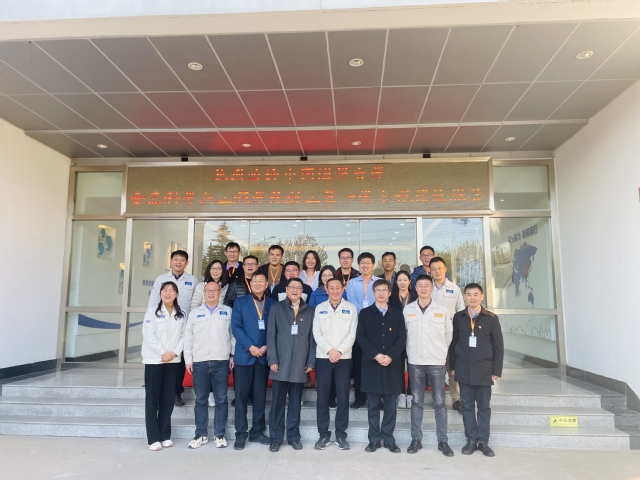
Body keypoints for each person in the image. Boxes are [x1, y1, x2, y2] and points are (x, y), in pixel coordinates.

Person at [450, 283, 504, 457]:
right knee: (467, 407)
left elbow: (498, 346)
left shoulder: (491, 318)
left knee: (483, 407)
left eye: (475, 294)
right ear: (464, 297)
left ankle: (483, 441)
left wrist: (496, 369)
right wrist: (453, 367)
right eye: (469, 294)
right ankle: (471, 440)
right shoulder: (458, 317)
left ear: (482, 297)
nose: (472, 298)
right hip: (463, 368)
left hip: (484, 369)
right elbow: (453, 344)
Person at [403, 275, 454, 457]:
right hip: (416, 360)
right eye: (420, 286)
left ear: (432, 289)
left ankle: (443, 441)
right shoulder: (408, 310)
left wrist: (440, 351)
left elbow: (448, 334)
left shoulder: (441, 310)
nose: (423, 288)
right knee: (417, 401)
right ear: (415, 288)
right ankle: (416, 439)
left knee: (440, 402)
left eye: (427, 285)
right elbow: (404, 335)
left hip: (436, 361)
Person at [356, 279, 406, 453]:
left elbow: (402, 338)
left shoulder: (397, 313)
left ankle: (389, 439)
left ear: (389, 293)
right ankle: (374, 439)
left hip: (392, 365)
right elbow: (361, 337)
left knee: (391, 406)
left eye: (385, 290)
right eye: (378, 290)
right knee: (373, 405)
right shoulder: (365, 313)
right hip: (372, 365)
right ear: (373, 293)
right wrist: (376, 355)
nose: (381, 293)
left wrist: (390, 356)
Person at [266, 278, 316, 452]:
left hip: (300, 364)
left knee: (295, 403)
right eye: (292, 287)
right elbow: (270, 336)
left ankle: (294, 437)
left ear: (302, 291)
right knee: (277, 404)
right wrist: (272, 359)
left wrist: (310, 361)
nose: (295, 290)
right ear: (286, 290)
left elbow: (312, 339)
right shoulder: (276, 308)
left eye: (298, 288)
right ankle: (275, 438)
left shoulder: (309, 310)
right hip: (280, 363)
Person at [184, 281, 234, 449]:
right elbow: (188, 337)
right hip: (200, 361)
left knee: (221, 399)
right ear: (204, 293)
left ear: (220, 293)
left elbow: (232, 336)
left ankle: (219, 434)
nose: (211, 293)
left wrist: (232, 355)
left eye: (214, 290)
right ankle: (201, 434)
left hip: (221, 361)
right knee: (200, 400)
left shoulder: (228, 312)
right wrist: (188, 359)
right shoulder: (195, 313)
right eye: (208, 291)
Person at [231, 271, 275, 450]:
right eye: (254, 281)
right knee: (241, 396)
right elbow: (236, 327)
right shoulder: (240, 302)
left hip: (263, 357)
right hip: (244, 356)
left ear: (266, 284)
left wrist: (266, 346)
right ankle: (241, 433)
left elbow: (275, 329)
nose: (257, 283)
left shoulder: (272, 304)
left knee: (259, 397)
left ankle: (257, 431)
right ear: (250, 283)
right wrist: (250, 346)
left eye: (261, 281)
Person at [313, 277, 358, 451]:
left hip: (343, 358)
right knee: (322, 397)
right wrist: (329, 351)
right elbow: (316, 332)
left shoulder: (351, 308)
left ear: (343, 288)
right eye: (331, 288)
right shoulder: (320, 308)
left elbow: (352, 334)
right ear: (326, 289)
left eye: (338, 288)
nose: (334, 291)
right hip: (323, 357)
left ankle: (341, 435)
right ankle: (323, 434)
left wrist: (338, 351)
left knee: (343, 396)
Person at [148, 250, 197, 407]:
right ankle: (160, 393)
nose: (178, 262)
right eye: (175, 259)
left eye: (182, 260)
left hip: (183, 326)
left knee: (179, 361)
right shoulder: (161, 279)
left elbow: (195, 303)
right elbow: (153, 302)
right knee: (162, 357)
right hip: (162, 324)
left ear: (186, 263)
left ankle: (176, 393)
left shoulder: (192, 280)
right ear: (170, 261)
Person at [142, 281, 186, 451]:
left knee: (168, 400)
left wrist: (174, 353)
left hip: (173, 361)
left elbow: (184, 336)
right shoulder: (152, 312)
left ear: (176, 294)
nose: (167, 293)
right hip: (154, 360)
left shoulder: (181, 314)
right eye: (164, 290)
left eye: (171, 290)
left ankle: (165, 435)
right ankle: (153, 438)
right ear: (160, 293)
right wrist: (163, 352)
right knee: (152, 400)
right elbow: (149, 336)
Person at [429, 256, 466, 415]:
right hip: (431, 335)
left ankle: (456, 399)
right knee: (435, 369)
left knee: (452, 368)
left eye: (440, 268)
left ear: (445, 269)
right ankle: (438, 399)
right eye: (434, 269)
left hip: (450, 334)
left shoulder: (454, 289)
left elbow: (461, 312)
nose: (437, 271)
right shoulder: (426, 287)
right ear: (430, 271)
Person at [346, 252, 381, 409]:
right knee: (359, 363)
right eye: (362, 263)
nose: (365, 265)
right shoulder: (352, 283)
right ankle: (359, 397)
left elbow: (382, 300)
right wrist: (368, 313)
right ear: (358, 265)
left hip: (377, 326)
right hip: (358, 325)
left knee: (377, 362)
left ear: (373, 265)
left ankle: (378, 398)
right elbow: (352, 301)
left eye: (368, 262)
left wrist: (371, 314)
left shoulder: (379, 282)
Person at [389, 270, 417, 408]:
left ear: (409, 281)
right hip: (397, 337)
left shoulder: (416, 297)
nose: (402, 282)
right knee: (398, 366)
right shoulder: (391, 298)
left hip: (413, 336)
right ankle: (400, 394)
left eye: (405, 280)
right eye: (399, 280)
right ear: (396, 282)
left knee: (412, 366)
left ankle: (411, 394)